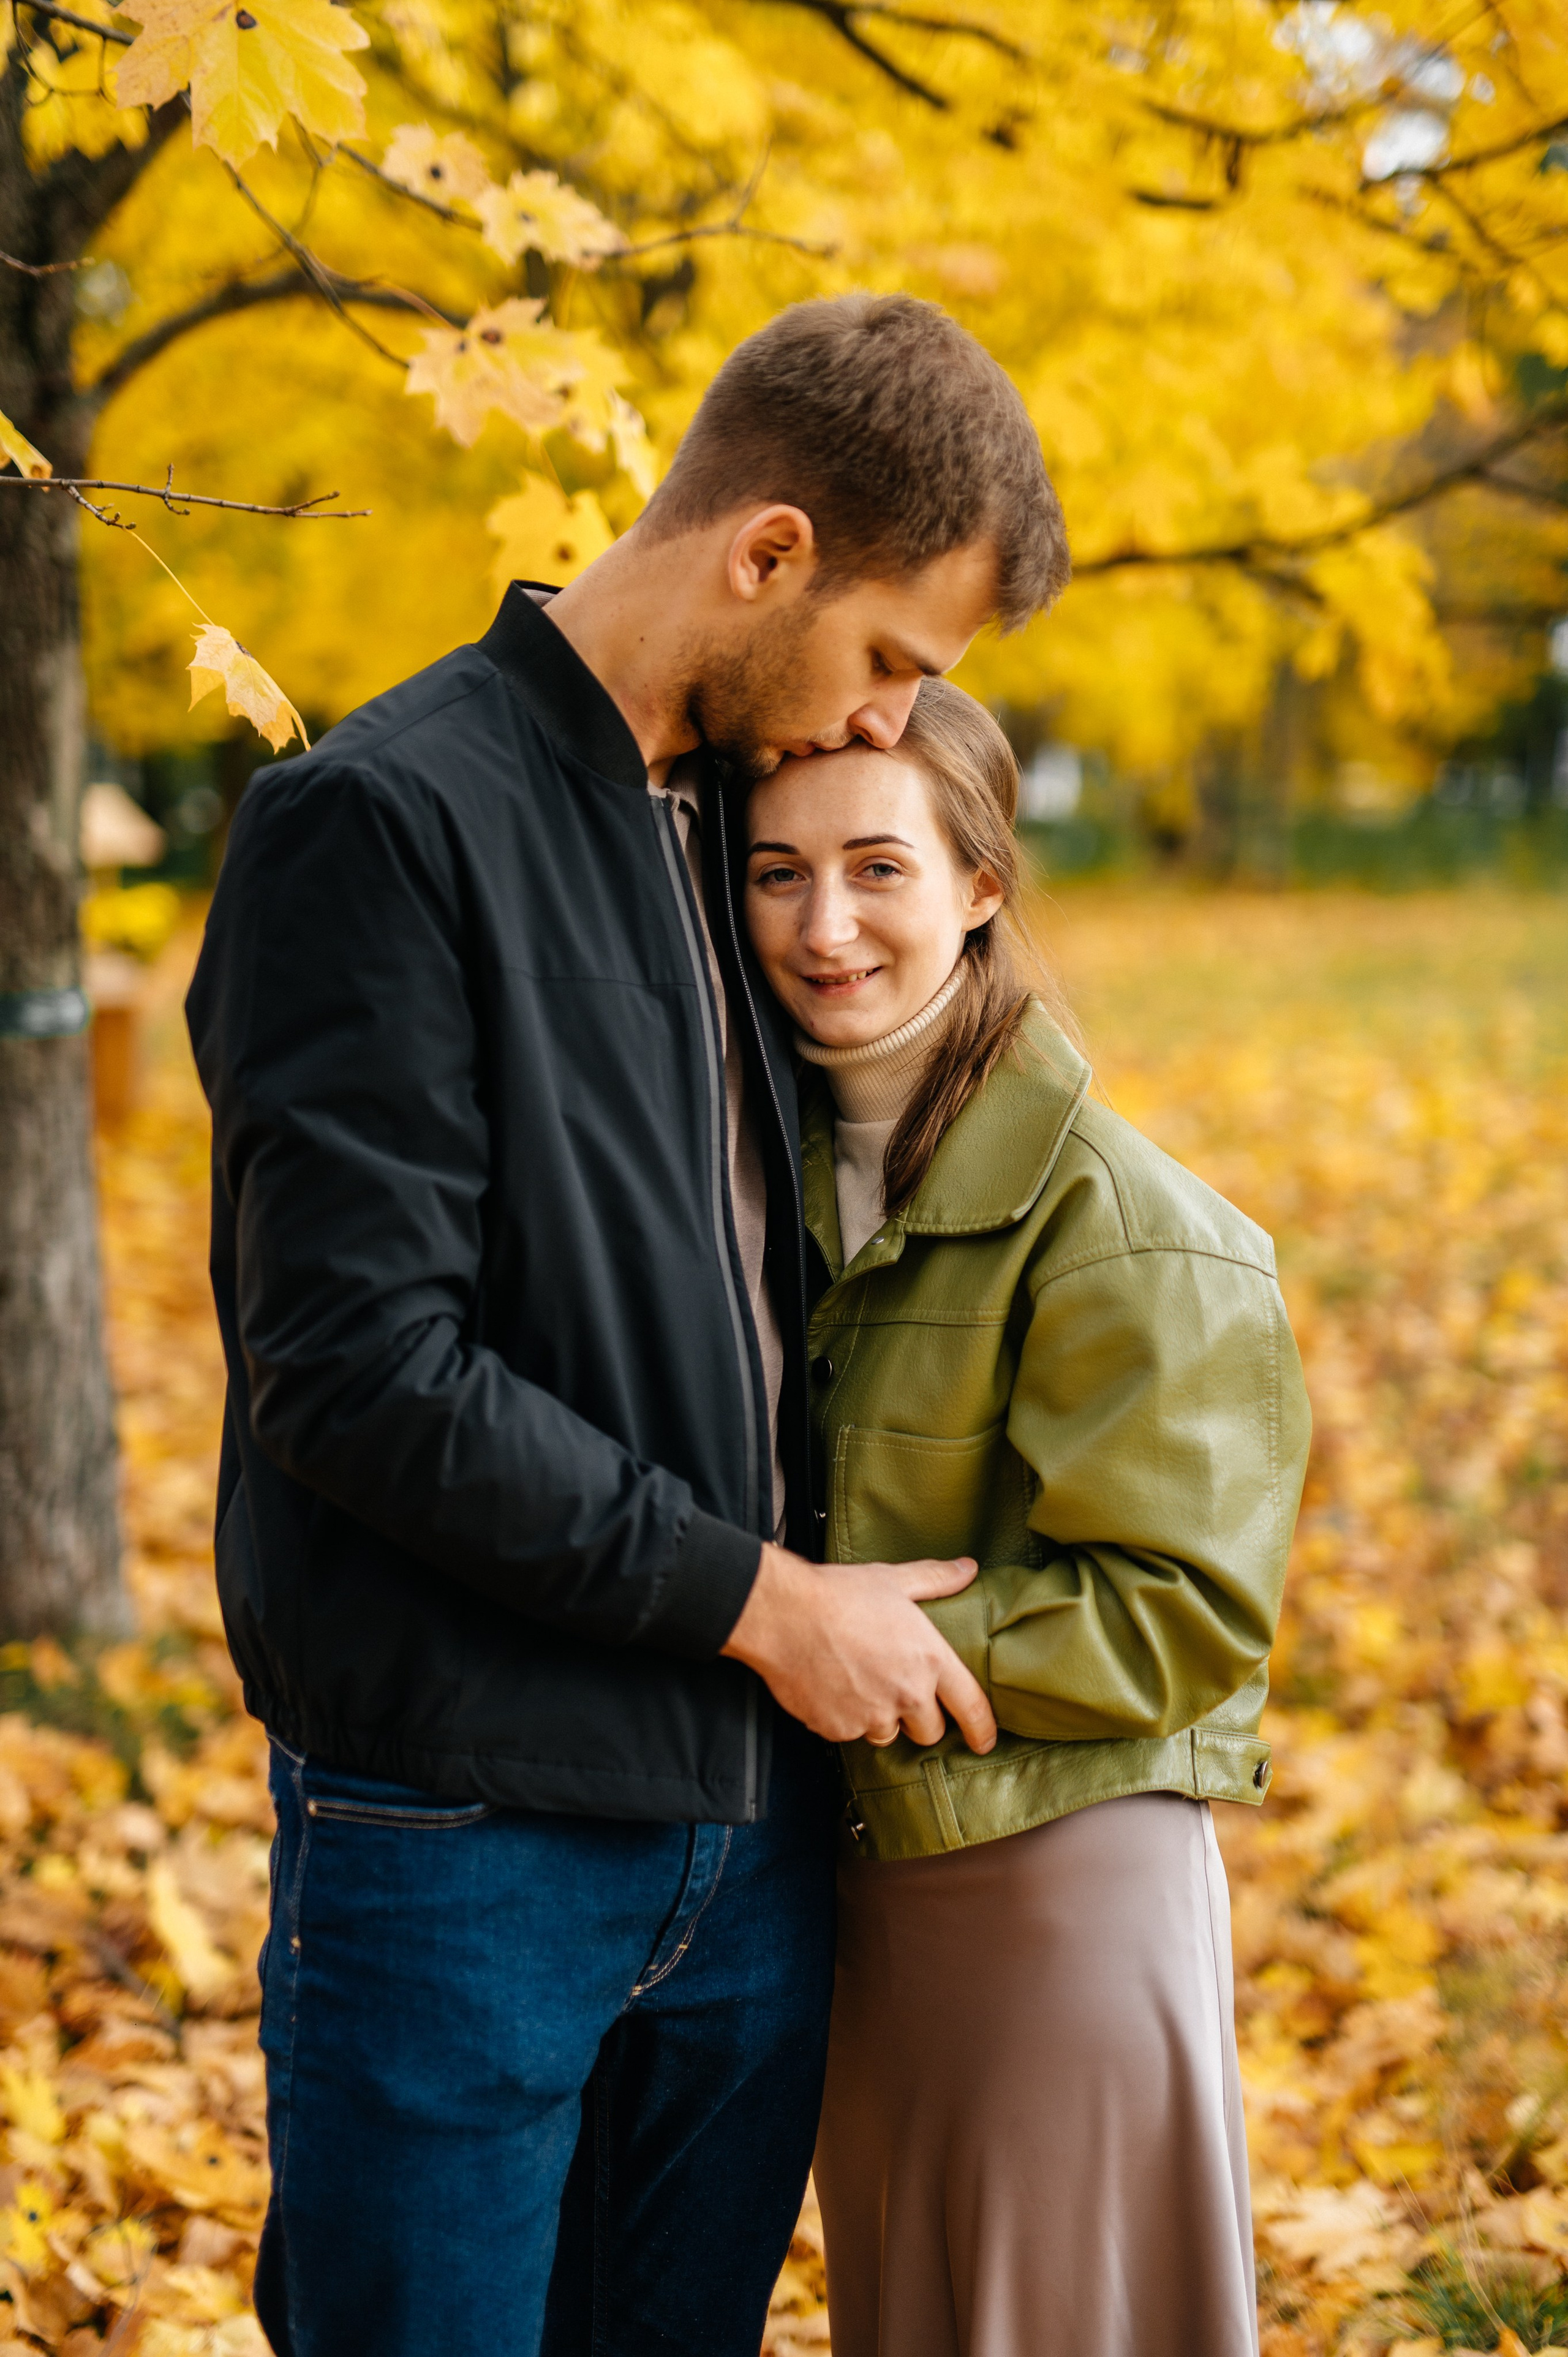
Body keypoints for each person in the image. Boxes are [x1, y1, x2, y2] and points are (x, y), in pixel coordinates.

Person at [184, 295, 1070, 2357]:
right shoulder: (382, 827)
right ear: (765, 555)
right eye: (888, 664)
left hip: (745, 1844)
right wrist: (770, 1601)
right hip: (463, 1846)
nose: (880, 728)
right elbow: (356, 1372)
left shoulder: (732, 842)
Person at [743, 677, 1312, 2357]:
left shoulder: (1129, 1224)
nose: (826, 924)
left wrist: (843, 1644)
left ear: (981, 882)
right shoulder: (754, 1173)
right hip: (861, 1878)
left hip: (1053, 1879)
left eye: (878, 868)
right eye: (777, 874)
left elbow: (1181, 1610)